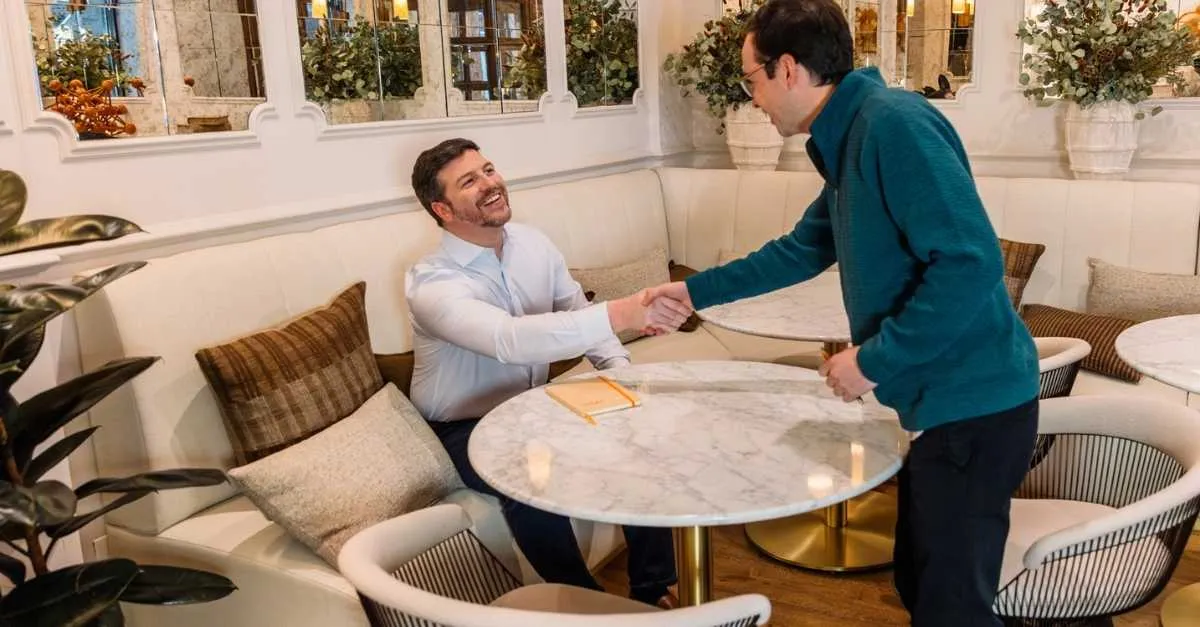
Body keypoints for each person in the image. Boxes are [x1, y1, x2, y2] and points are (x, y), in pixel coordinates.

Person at [643, 1, 1039, 624]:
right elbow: (801, 250)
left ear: (790, 69)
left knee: (951, 608)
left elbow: (970, 263)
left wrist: (875, 361)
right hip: (947, 409)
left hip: (976, 408)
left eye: (752, 78)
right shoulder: (852, 131)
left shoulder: (892, 125)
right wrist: (692, 294)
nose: (753, 98)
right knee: (919, 585)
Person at [405, 137, 687, 608]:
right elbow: (509, 341)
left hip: (533, 405)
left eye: (489, 170)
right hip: (461, 425)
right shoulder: (431, 284)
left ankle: (652, 590)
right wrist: (623, 313)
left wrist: (620, 371)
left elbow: (573, 309)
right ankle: (587, 606)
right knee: (528, 478)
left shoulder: (533, 243)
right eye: (469, 181)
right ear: (443, 209)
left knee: (642, 437)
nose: (490, 184)